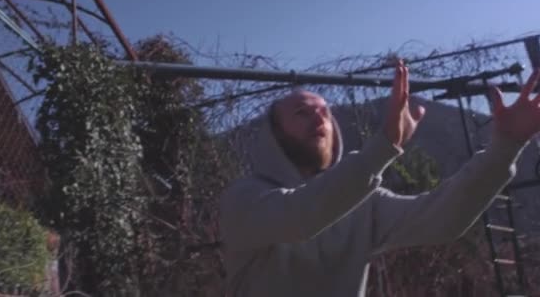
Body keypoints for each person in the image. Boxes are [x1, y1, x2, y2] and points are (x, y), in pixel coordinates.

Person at [219, 60, 540, 296]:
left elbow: (441, 219)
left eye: (325, 112)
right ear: (276, 136)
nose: (319, 117)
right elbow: (300, 217)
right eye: (303, 112)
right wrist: (384, 146)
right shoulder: (245, 199)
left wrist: (505, 147)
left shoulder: (360, 200)